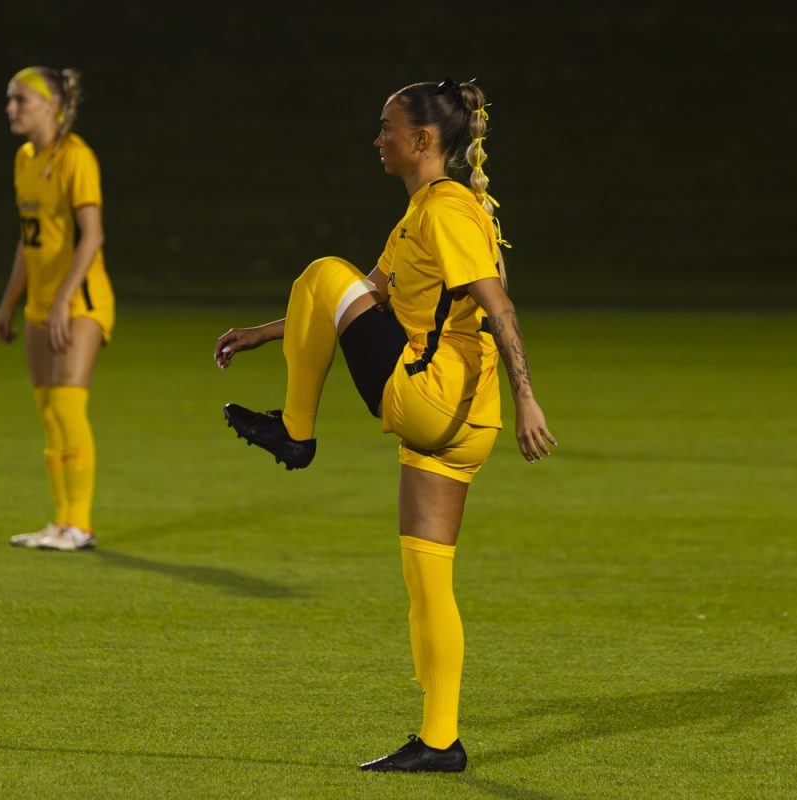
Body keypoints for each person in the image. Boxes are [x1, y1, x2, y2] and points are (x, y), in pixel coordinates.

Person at [214, 79, 556, 772]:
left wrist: (531, 397)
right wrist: (265, 333)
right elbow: (357, 303)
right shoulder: (419, 217)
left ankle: (296, 432)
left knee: (321, 269)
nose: (379, 139)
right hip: (467, 424)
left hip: (429, 397)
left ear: (424, 141)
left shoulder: (446, 211)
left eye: (387, 127)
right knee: (429, 582)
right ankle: (439, 741)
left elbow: (499, 303)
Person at [0, 66, 115, 552]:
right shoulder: (24, 159)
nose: (11, 109)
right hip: (40, 305)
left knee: (67, 406)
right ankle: (61, 522)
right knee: (48, 412)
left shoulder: (76, 157)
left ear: (51, 105)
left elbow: (93, 236)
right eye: (10, 99)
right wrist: (9, 302)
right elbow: (29, 242)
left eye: (20, 99)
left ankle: (80, 525)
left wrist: (64, 299)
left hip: (81, 301)